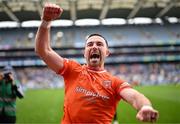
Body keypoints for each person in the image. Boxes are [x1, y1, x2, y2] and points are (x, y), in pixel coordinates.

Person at [35, 3, 159, 124]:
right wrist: (46, 21)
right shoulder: (72, 70)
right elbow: (43, 51)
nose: (94, 47)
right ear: (84, 53)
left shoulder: (115, 83)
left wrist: (145, 107)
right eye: (90, 44)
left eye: (99, 44)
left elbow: (135, 96)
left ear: (107, 52)